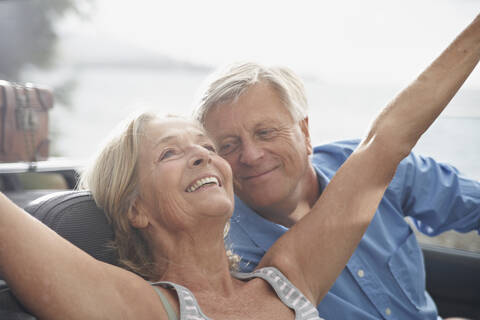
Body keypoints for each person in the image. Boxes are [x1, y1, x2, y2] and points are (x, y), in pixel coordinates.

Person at [0, 16, 477, 320]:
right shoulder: (138, 307)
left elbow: (385, 143)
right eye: (170, 152)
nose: (207, 155)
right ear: (136, 209)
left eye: (206, 146)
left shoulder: (286, 281)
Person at [193, 15, 480, 320]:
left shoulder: (374, 168)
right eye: (228, 145)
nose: (250, 155)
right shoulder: (226, 254)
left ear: (304, 132)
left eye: (265, 133)